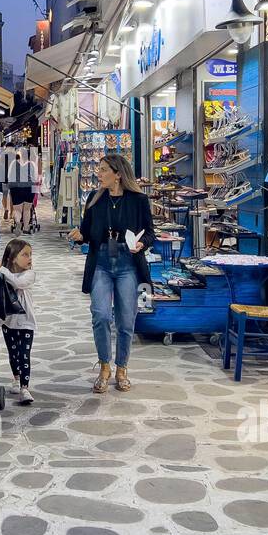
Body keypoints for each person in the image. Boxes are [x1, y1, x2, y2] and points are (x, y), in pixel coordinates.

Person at [68, 153, 155, 393]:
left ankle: (122, 367)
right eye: (99, 168)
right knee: (101, 315)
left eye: (104, 169)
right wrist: (78, 236)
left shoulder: (138, 200)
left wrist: (142, 244)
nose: (99, 173)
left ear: (118, 174)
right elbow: (86, 232)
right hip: (101, 263)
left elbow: (150, 233)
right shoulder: (95, 200)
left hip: (128, 263)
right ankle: (104, 365)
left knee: (126, 319)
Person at [0, 238, 36, 405]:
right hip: (9, 322)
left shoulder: (29, 275)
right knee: (13, 354)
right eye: (25, 255)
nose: (29, 258)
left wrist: (2, 270)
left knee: (24, 355)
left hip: (26, 322)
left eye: (30, 255)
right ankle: (16, 378)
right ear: (13, 257)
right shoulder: (3, 274)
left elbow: (17, 282)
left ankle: (24, 387)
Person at [9, 148, 34, 233]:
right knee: (27, 209)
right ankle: (26, 228)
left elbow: (10, 176)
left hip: (16, 187)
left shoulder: (13, 163)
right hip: (29, 187)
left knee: (17, 210)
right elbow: (34, 177)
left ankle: (18, 224)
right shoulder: (31, 164)